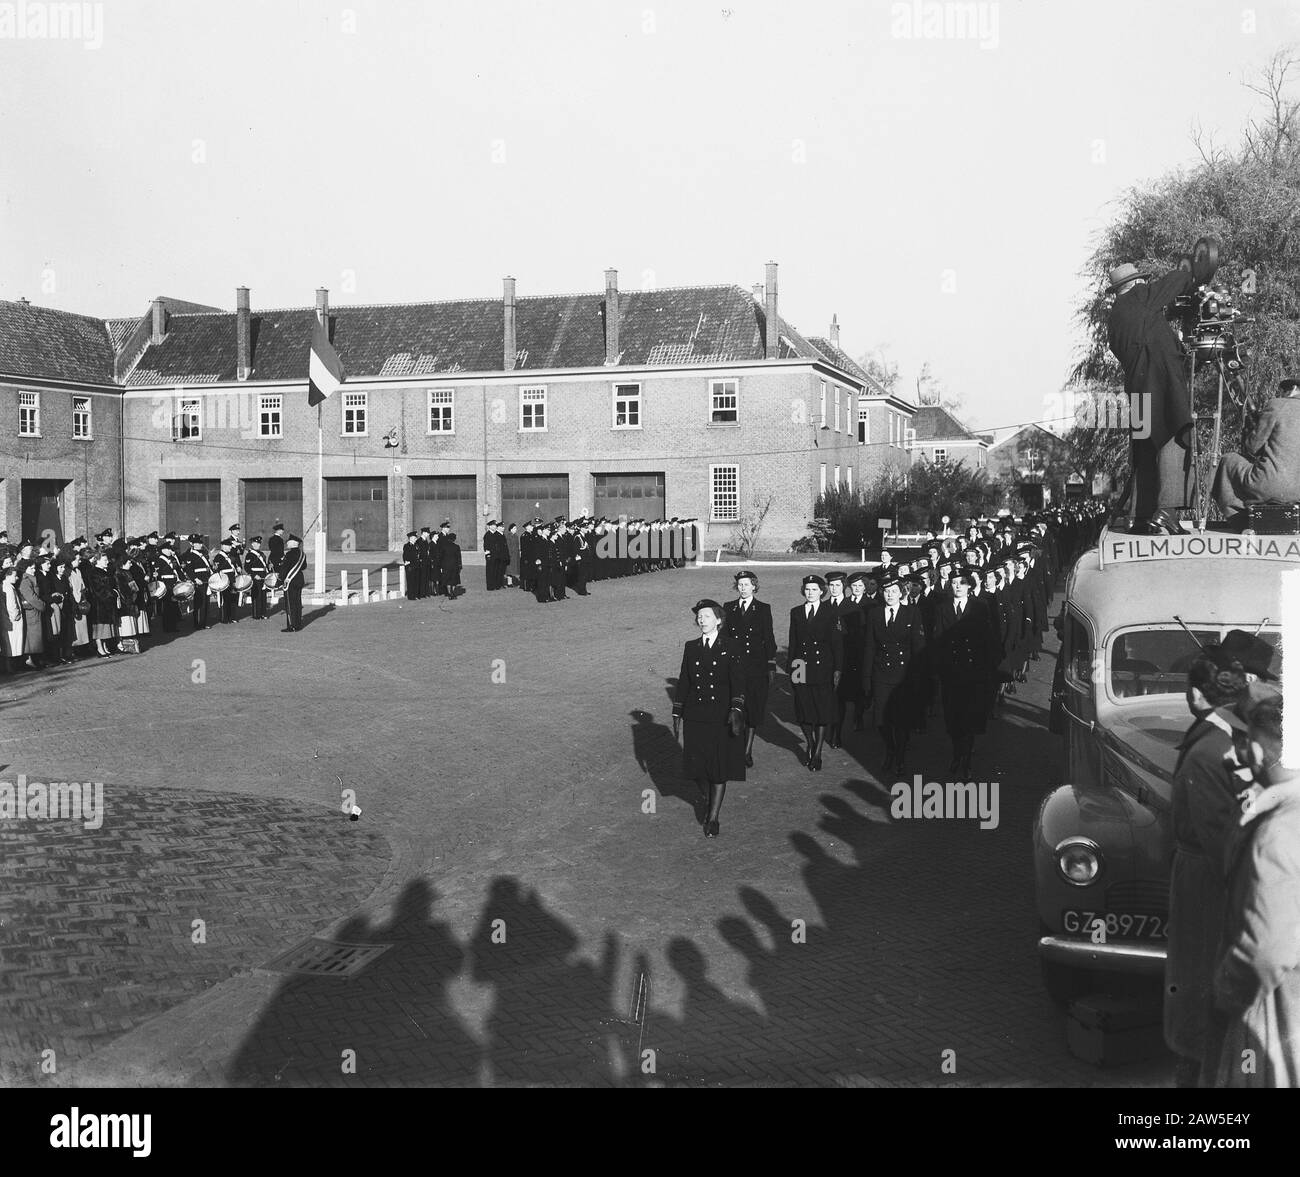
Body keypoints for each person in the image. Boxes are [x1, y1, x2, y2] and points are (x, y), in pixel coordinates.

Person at [1164, 636, 1258, 1087]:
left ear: (1197, 694)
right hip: (1213, 880)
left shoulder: (1206, 751)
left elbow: (1221, 838)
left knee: (1199, 985)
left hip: (1204, 886)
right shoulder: (1229, 737)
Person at [1207, 688, 1300, 1087]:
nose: (1235, 757)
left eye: (1244, 744)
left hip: (1273, 1014)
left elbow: (1266, 952)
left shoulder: (1276, 833)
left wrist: (1225, 988)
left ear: (1262, 750)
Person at [1106, 260, 1198, 534]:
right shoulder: (1141, 296)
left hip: (1137, 390)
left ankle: (1140, 516)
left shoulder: (1115, 318)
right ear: (1134, 283)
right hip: (1162, 386)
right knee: (1174, 438)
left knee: (1145, 450)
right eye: (1142, 281)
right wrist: (1190, 268)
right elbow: (1172, 284)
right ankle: (1166, 512)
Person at [671, 599, 746, 838]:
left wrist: (736, 708)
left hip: (720, 715)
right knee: (697, 767)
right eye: (699, 617)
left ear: (719, 620)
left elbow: (738, 680)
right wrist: (677, 710)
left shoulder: (731, 646)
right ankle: (708, 796)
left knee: (718, 766)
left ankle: (713, 817)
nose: (701, 620)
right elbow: (685, 680)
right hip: (695, 715)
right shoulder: (691, 646)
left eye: (706, 616)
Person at [931, 570, 999, 777]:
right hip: (951, 673)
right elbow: (938, 639)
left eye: (962, 583)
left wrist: (987, 669)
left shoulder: (979, 607)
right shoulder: (943, 608)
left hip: (973, 673)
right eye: (954, 583)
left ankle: (966, 761)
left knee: (969, 719)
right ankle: (956, 754)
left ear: (969, 585)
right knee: (953, 719)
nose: (958, 586)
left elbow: (988, 639)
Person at [863, 573, 927, 776]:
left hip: (904, 674)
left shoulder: (912, 613)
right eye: (886, 591)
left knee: (901, 719)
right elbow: (870, 647)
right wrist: (866, 677)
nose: (890, 594)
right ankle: (890, 748)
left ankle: (899, 755)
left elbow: (918, 647)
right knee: (881, 719)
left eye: (894, 591)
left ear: (901, 593)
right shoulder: (874, 614)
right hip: (881, 672)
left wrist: (918, 676)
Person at [1212, 378, 1300, 520]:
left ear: (1294, 388)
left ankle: (1238, 516)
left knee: (1228, 460)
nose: (1282, 395)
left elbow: (1252, 448)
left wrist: (1251, 428)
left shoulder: (1278, 405)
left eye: (1283, 391)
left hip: (1272, 485)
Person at [787, 574, 842, 772]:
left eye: (814, 589)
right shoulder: (796, 612)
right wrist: (791, 668)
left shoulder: (830, 612)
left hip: (822, 667)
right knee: (802, 708)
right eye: (807, 589)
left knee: (821, 710)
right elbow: (793, 641)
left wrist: (837, 668)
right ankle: (809, 743)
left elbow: (837, 644)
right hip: (800, 665)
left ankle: (817, 752)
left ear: (821, 591)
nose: (810, 593)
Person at [722, 571, 777, 769]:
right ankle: (737, 748)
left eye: (746, 584)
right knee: (737, 708)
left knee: (753, 709)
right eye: (740, 584)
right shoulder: (729, 608)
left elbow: (769, 639)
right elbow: (724, 638)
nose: (743, 588)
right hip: (735, 667)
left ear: (754, 586)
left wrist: (771, 664)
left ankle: (746, 751)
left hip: (756, 667)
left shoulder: (763, 609)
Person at [278, 534, 306, 632]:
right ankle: (298, 624)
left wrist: (279, 580)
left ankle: (292, 625)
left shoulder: (289, 554)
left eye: (288, 542)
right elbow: (304, 567)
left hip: (291, 581)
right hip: (299, 579)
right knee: (297, 602)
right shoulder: (302, 554)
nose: (287, 543)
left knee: (290, 604)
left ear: (293, 543)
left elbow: (284, 569)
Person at [184, 538, 213, 630]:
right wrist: (195, 579)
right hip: (199, 581)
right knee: (200, 603)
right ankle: (198, 623)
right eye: (198, 543)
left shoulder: (203, 554)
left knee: (206, 603)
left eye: (201, 543)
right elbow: (188, 569)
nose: (200, 545)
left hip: (206, 580)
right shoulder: (190, 555)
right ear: (193, 544)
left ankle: (203, 623)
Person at [2, 564, 23, 671]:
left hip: (7, 619)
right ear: (7, 576)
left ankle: (10, 667)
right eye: (15, 576)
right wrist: (16, 615)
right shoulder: (9, 588)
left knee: (10, 645)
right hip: (13, 620)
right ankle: (11, 667)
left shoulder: (5, 586)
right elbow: (12, 605)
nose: (17, 577)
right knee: (13, 645)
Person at [244, 535, 271, 620]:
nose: (258, 545)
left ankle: (263, 613)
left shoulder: (262, 554)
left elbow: (264, 565)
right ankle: (256, 614)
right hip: (256, 576)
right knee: (256, 595)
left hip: (263, 576)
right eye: (256, 543)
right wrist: (254, 575)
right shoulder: (250, 555)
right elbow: (247, 567)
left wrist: (268, 567)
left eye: (259, 543)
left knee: (263, 595)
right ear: (252, 544)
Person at [440, 530, 463, 599]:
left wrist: (441, 566)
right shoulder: (456, 547)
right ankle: (453, 592)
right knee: (454, 580)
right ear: (454, 539)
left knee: (447, 580)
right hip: (454, 566)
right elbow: (459, 557)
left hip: (446, 566)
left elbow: (441, 557)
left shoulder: (444, 547)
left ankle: (449, 593)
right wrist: (460, 566)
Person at [403, 531, 420, 601]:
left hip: (416, 565)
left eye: (415, 537)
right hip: (410, 566)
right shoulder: (407, 546)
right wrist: (407, 563)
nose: (415, 539)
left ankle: (415, 594)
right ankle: (411, 596)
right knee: (410, 581)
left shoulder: (416, 545)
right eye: (414, 537)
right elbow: (405, 556)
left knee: (416, 581)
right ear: (410, 538)